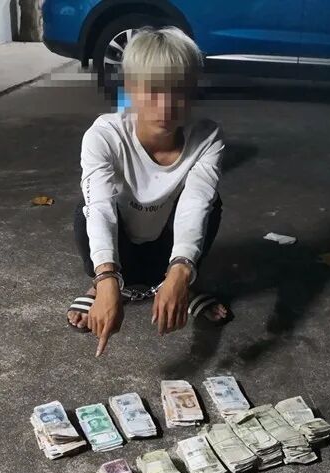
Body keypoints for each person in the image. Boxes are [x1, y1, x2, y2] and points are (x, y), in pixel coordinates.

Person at [68, 26, 230, 357]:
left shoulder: (207, 138)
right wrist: (107, 279)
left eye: (178, 90)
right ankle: (100, 287)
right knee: (87, 207)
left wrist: (180, 272)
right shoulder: (104, 136)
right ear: (130, 87)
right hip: (122, 247)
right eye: (153, 90)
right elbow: (100, 209)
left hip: (165, 250)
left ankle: (182, 283)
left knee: (210, 205)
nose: (166, 106)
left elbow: (194, 205)